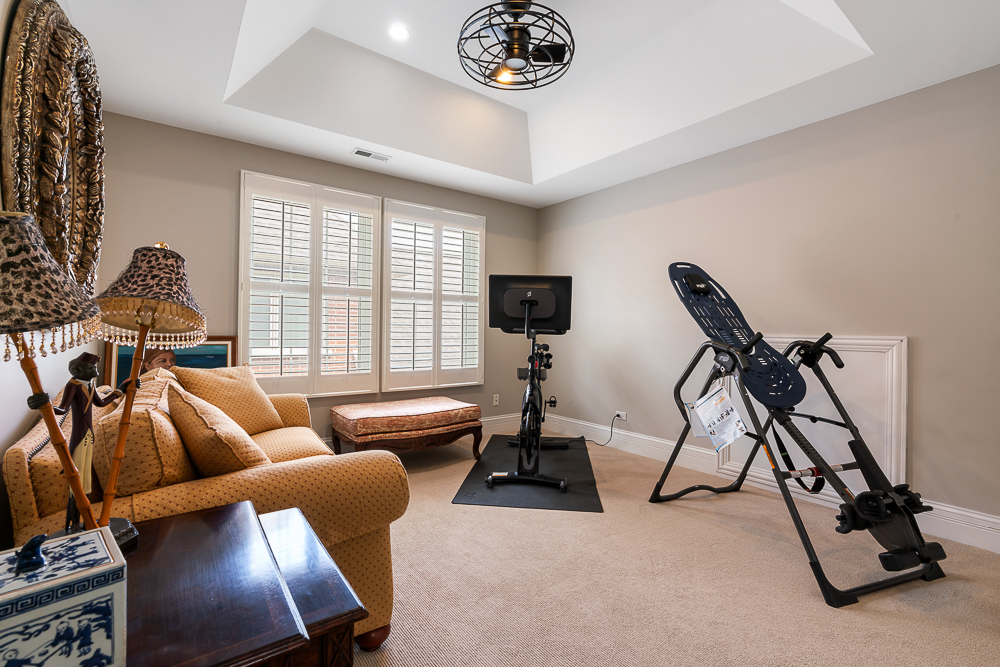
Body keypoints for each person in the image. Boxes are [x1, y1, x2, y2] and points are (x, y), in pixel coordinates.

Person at [26, 352, 136, 533]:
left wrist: (121, 389)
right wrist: (44, 405)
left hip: (89, 436)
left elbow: (100, 403)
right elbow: (62, 409)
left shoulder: (89, 384)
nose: (96, 371)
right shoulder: (73, 385)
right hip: (79, 438)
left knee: (86, 483)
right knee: (77, 486)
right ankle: (73, 522)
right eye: (92, 368)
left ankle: (85, 521)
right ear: (77, 370)